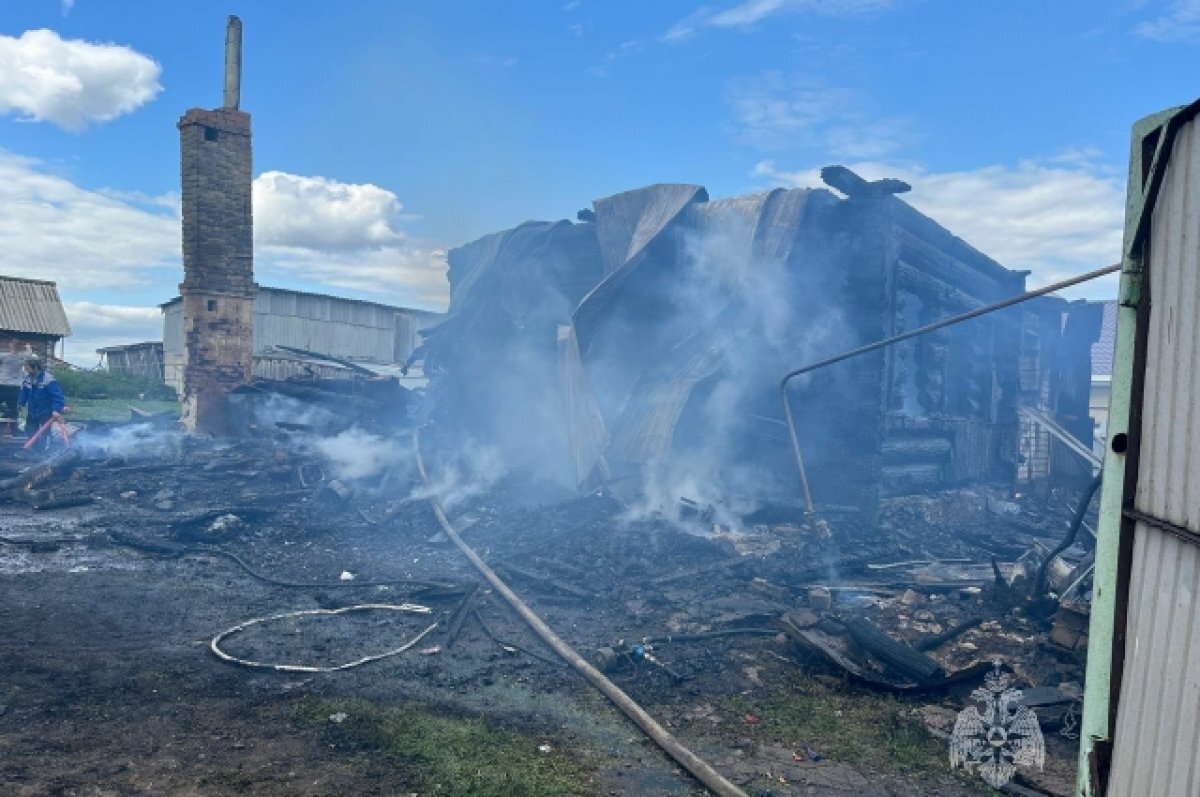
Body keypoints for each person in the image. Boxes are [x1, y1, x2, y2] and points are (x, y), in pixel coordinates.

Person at [18, 355, 65, 445]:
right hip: (32, 411)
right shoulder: (27, 378)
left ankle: (46, 449)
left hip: (45, 412)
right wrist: (21, 403)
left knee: (45, 433)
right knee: (30, 431)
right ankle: (33, 449)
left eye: (27, 367)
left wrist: (56, 410)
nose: (26, 369)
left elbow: (58, 396)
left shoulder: (48, 380)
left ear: (35, 366)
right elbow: (24, 392)